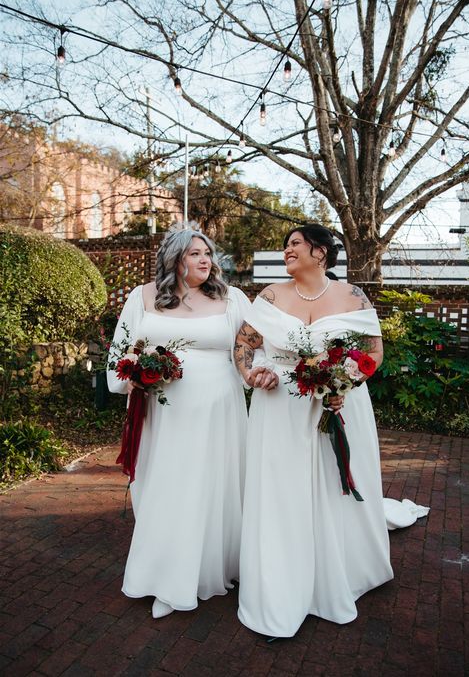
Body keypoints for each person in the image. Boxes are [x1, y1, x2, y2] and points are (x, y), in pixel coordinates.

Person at [234, 223, 394, 637]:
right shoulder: (270, 295)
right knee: (282, 491)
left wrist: (346, 382)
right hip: (280, 409)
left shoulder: (351, 295)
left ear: (320, 252)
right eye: (285, 245)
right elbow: (244, 344)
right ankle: (282, 580)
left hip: (342, 406)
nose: (286, 250)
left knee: (332, 487)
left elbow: (374, 351)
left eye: (294, 244)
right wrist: (251, 375)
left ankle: (340, 571)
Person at [107, 223, 251, 619]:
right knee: (164, 487)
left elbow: (254, 352)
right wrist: (132, 374)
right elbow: (120, 351)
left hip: (218, 410)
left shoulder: (233, 299)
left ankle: (204, 571)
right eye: (195, 254)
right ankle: (164, 572)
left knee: (210, 487)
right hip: (163, 411)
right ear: (175, 259)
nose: (206, 260)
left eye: (208, 254)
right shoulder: (142, 297)